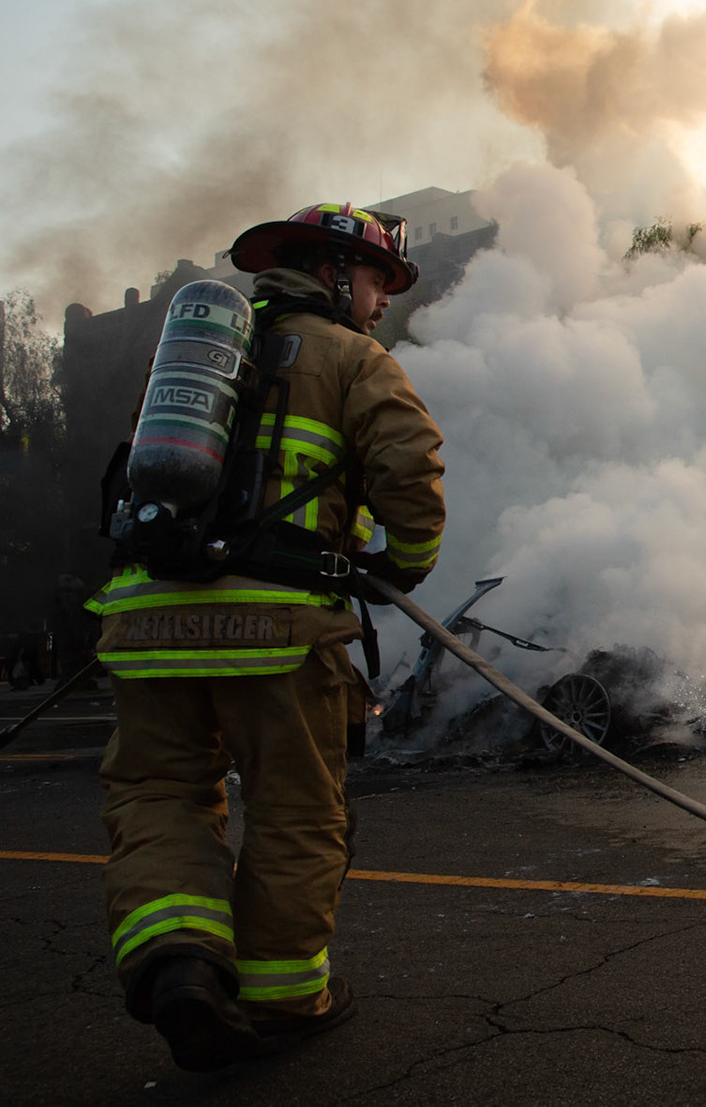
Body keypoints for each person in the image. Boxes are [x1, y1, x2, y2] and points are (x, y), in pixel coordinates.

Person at [86, 203, 446, 1071]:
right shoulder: (355, 358)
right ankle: (285, 996)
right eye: (373, 282)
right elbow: (410, 468)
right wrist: (403, 565)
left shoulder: (188, 365)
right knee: (294, 807)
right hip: (276, 627)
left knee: (160, 793)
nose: (378, 303)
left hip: (148, 621)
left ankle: (180, 963)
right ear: (333, 273)